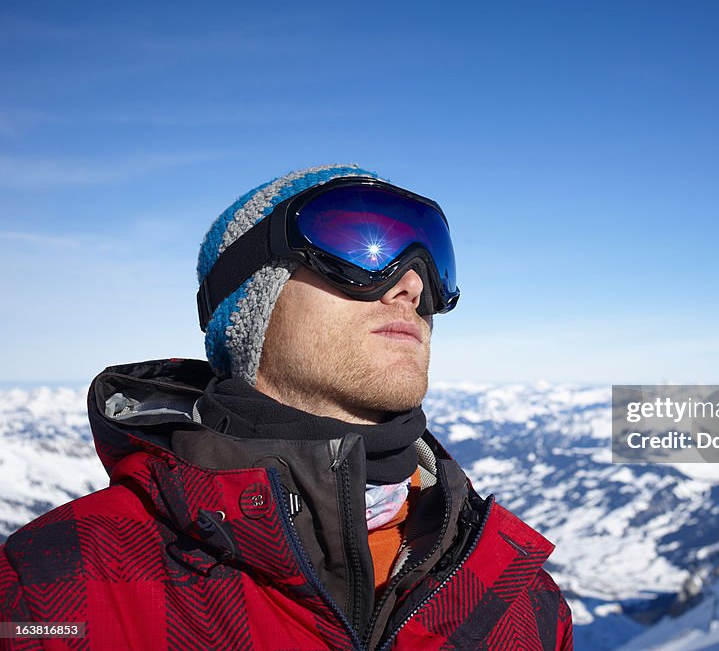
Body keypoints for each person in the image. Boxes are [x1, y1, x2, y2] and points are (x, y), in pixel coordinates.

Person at [0, 164, 573, 650]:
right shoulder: (54, 584)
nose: (411, 287)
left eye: (433, 262)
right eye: (362, 248)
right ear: (250, 300)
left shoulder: (527, 604)